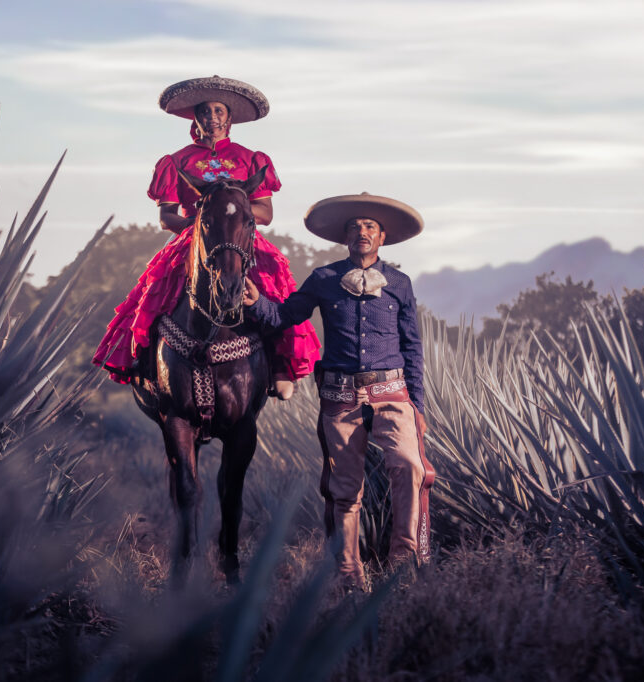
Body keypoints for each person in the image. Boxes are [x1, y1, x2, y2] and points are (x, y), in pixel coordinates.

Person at [242, 193, 435, 590]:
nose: (361, 232)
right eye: (354, 227)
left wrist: (415, 404)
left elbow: (412, 345)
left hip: (393, 395)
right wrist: (257, 302)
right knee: (344, 489)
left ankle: (403, 564)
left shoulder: (400, 283)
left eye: (369, 227)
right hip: (341, 399)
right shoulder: (324, 280)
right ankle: (348, 577)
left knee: (409, 467)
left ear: (382, 238)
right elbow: (284, 316)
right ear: (344, 237)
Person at [92, 76, 320, 398]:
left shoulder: (251, 159)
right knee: (155, 290)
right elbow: (166, 216)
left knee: (272, 281)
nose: (212, 117)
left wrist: (231, 215)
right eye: (205, 111)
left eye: (218, 111)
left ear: (229, 117)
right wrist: (201, 222)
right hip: (195, 237)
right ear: (195, 117)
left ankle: (280, 363)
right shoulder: (176, 161)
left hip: (241, 236)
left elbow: (265, 213)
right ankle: (143, 363)